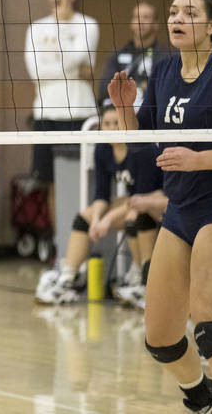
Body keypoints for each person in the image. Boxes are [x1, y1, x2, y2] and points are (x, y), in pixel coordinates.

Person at [109, 0, 212, 414]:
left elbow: (199, 154)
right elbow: (141, 145)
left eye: (190, 13)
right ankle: (202, 397)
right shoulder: (162, 69)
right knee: (160, 338)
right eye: (173, 11)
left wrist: (199, 160)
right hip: (181, 209)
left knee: (211, 325)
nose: (177, 19)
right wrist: (125, 109)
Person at [35, 104, 165, 306]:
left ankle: (144, 282)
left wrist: (106, 220)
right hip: (136, 201)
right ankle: (67, 280)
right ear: (100, 127)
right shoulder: (103, 149)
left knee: (135, 215)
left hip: (159, 201)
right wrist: (96, 220)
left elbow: (141, 197)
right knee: (85, 217)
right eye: (107, 124)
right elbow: (101, 196)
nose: (112, 128)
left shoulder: (141, 149)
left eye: (117, 123)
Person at [24, 0, 99, 225]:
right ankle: (61, 248)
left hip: (80, 112)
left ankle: (84, 245)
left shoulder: (88, 24)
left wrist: (62, 60)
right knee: (52, 183)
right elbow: (36, 72)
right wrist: (73, 72)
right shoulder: (36, 28)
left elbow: (79, 58)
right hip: (47, 113)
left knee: (85, 180)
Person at [97, 0, 169, 107]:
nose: (141, 21)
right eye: (137, 17)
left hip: (151, 112)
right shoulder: (117, 55)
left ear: (156, 24)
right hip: (122, 112)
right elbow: (104, 89)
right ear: (131, 23)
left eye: (146, 17)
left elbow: (164, 88)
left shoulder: (165, 56)